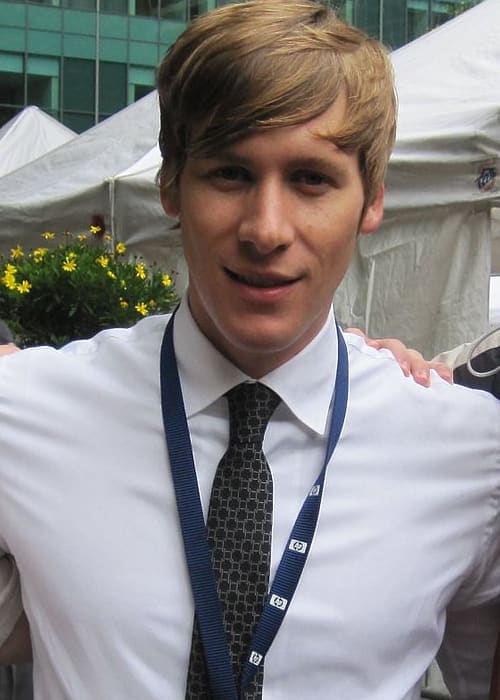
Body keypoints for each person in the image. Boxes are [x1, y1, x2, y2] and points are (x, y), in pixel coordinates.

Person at [1, 2, 500, 699]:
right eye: (230, 174)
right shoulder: (23, 413)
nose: (266, 230)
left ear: (372, 201)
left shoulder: (470, 452)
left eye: (311, 180)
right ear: (171, 185)